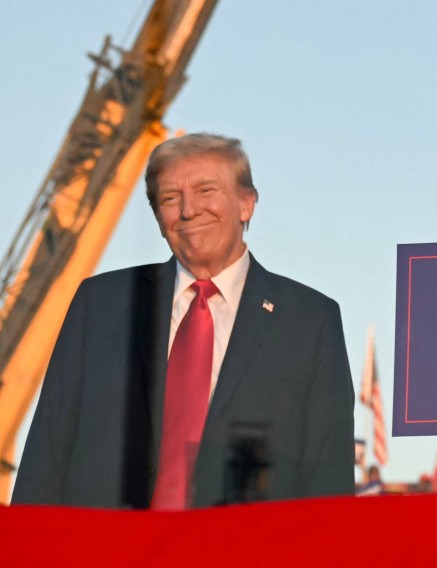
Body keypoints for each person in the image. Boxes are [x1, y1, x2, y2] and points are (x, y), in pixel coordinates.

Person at [13, 133, 355, 508]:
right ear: (159, 218)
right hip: (106, 553)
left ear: (246, 204)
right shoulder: (102, 304)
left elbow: (328, 478)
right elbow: (47, 451)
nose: (189, 210)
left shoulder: (309, 320)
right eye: (171, 198)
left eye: (207, 190)